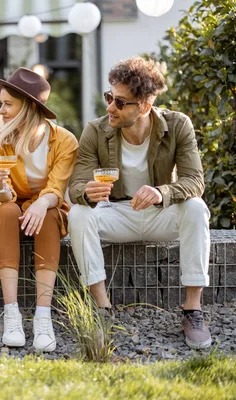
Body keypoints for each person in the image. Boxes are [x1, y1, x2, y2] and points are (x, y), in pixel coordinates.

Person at [67, 56, 212, 349]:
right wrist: (87, 192)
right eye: (110, 97)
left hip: (160, 213)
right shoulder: (95, 130)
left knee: (196, 207)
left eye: (120, 102)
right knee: (79, 214)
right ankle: (102, 309)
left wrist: (162, 193)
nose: (110, 107)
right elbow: (76, 186)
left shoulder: (177, 124)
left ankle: (192, 310)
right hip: (118, 213)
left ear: (144, 106)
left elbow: (195, 181)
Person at [0, 67, 78, 351]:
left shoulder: (64, 141)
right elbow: (2, 199)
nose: (1, 111)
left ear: (29, 106)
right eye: (2, 103)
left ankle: (43, 316)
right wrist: (0, 186)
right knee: (10, 211)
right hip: (11, 211)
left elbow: (57, 188)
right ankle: (11, 313)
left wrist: (40, 202)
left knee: (48, 214)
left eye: (8, 103)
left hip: (47, 209)